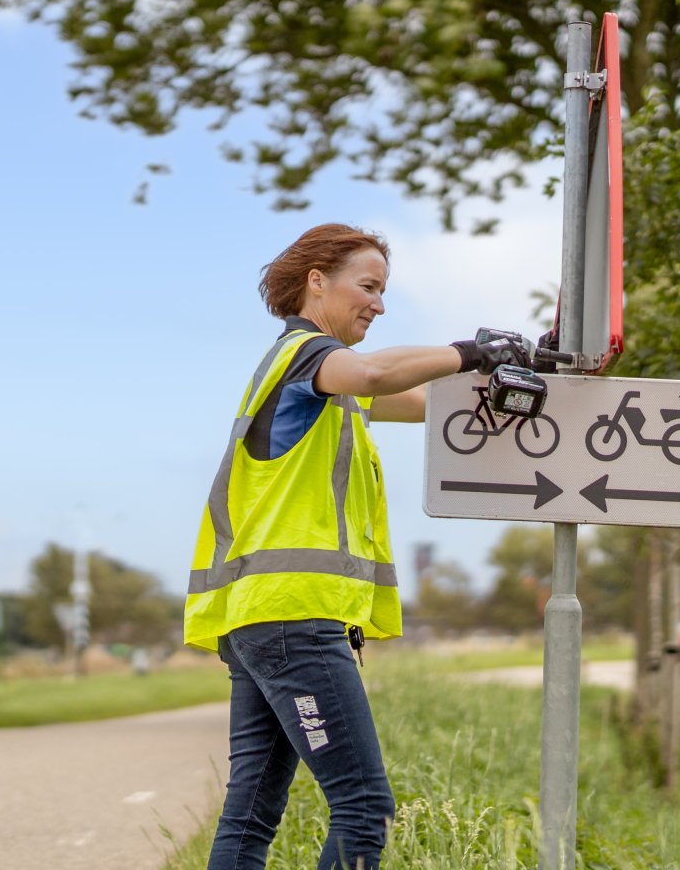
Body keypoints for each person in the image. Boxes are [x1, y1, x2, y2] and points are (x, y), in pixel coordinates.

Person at [188, 223, 528, 869]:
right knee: (364, 805)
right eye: (368, 287)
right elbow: (374, 371)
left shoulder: (325, 389)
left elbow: (425, 402)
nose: (378, 303)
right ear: (317, 282)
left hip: (260, 618)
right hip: (293, 617)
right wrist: (470, 350)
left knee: (252, 811)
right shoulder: (307, 356)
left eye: (383, 290)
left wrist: (519, 373)